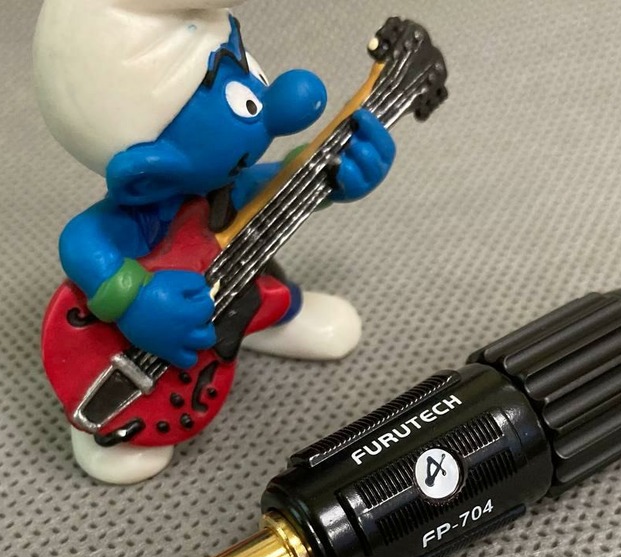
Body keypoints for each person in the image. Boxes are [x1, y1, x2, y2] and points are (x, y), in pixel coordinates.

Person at [34, 0, 396, 482]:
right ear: (148, 176)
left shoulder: (220, 185)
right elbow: (82, 242)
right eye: (243, 98)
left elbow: (272, 187)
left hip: (229, 284)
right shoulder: (136, 214)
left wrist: (335, 177)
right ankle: (107, 418)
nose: (284, 97)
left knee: (254, 263)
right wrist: (135, 302)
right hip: (118, 353)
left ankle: (265, 318)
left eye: (248, 67)